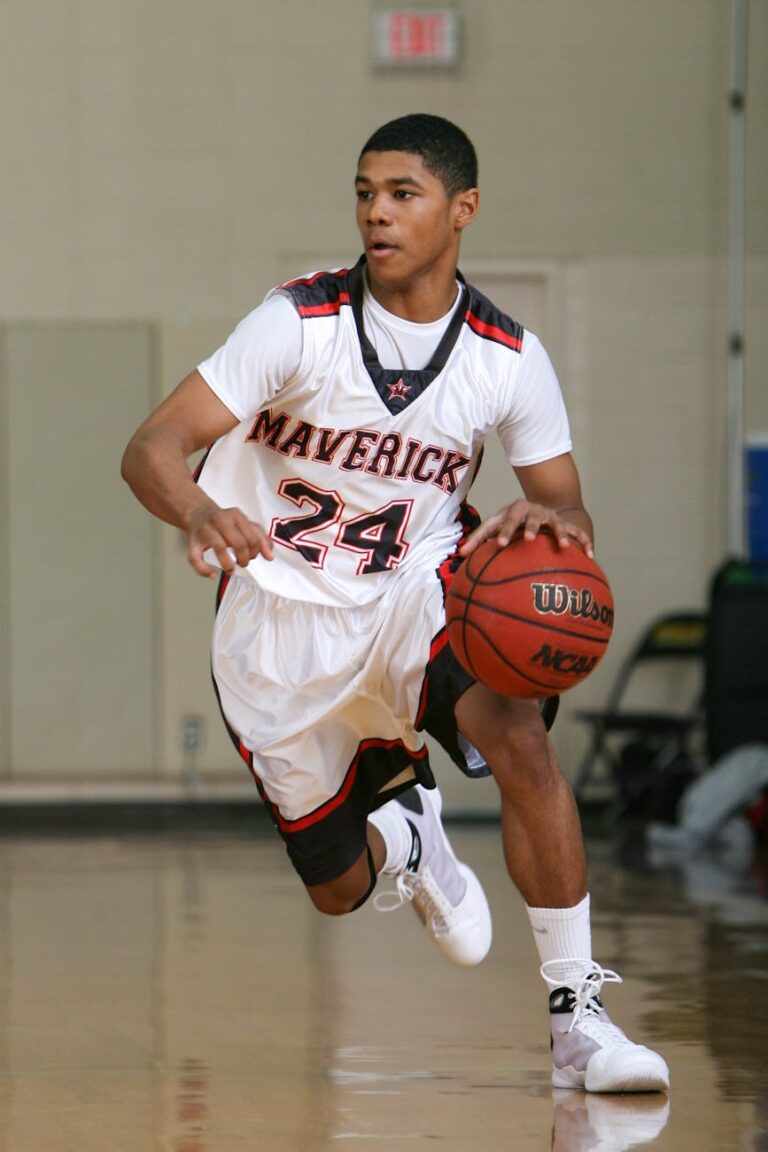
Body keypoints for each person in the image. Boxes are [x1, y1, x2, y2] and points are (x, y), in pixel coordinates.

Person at [121, 113, 669, 1094]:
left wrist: (552, 523)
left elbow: (563, 498)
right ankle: (407, 838)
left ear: (462, 209)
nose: (378, 211)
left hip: (417, 589)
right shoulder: (297, 323)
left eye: (402, 193)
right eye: (366, 192)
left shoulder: (505, 356)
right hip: (277, 625)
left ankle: (580, 1018)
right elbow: (151, 447)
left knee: (521, 739)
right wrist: (202, 509)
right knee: (336, 892)